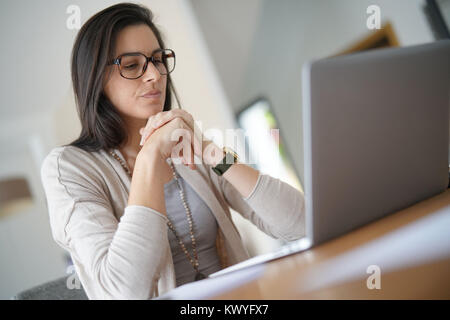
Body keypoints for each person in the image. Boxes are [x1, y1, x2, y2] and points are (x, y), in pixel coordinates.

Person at [40, 2, 305, 300]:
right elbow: (123, 292)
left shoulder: (189, 143)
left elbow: (300, 224)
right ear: (96, 80)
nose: (154, 75)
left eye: (158, 59)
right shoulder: (68, 168)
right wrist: (149, 157)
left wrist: (213, 153)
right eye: (131, 65)